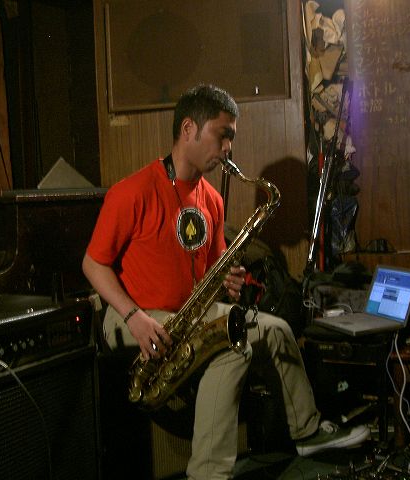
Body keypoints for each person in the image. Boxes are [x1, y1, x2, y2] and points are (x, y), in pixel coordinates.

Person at [82, 84, 369, 480]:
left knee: (277, 330)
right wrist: (135, 317)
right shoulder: (131, 192)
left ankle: (307, 433)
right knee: (234, 349)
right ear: (189, 129)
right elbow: (93, 265)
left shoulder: (212, 200)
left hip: (187, 313)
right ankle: (208, 474)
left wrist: (227, 281)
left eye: (231, 137)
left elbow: (210, 267)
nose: (229, 147)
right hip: (133, 315)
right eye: (223, 135)